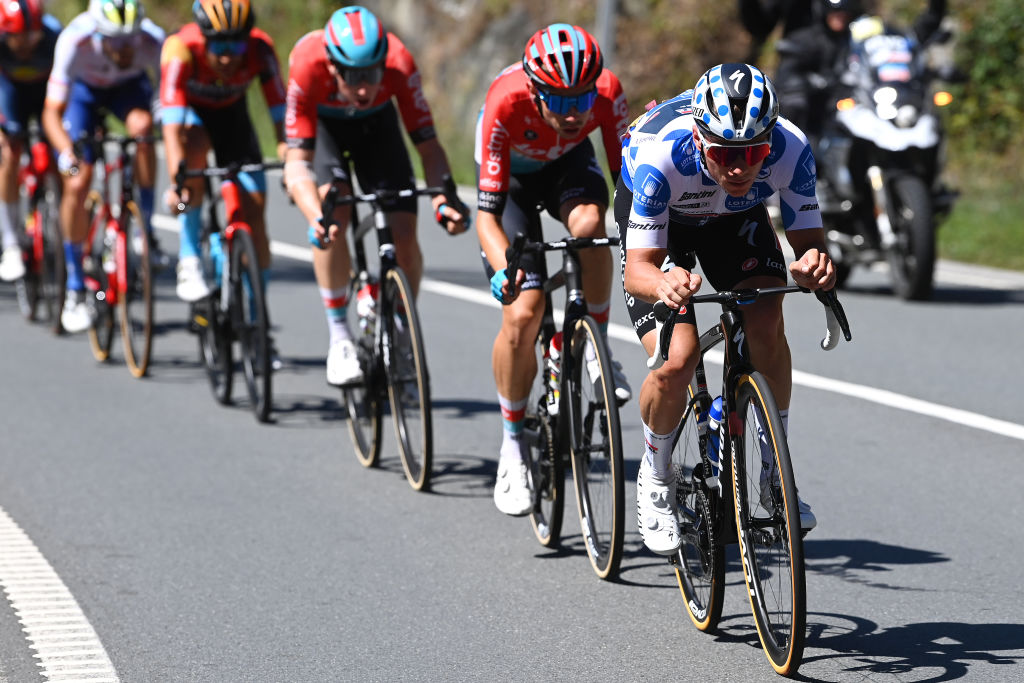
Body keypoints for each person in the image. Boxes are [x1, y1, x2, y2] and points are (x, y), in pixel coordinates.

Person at [617, 63, 836, 555]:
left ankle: (772, 470)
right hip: (664, 224)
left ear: (770, 140)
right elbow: (638, 271)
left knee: (766, 315)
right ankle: (655, 476)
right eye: (723, 154)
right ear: (699, 138)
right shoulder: (661, 155)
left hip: (732, 221)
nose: (739, 168)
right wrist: (665, 283)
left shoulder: (792, 149)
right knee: (677, 358)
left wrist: (815, 267)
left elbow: (810, 245)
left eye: (753, 153)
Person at [479, 23, 632, 517]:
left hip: (568, 167)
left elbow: (627, 184)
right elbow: (486, 215)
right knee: (524, 312)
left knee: (590, 225)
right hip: (514, 190)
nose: (572, 113)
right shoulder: (505, 103)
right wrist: (506, 268)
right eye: (559, 101)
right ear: (533, 90)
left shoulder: (606, 95)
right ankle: (512, 447)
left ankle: (597, 346)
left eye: (581, 99)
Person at [283, 5, 468, 386]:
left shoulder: (399, 61)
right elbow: (297, 163)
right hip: (327, 132)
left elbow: (428, 146)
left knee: (403, 234)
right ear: (332, 66)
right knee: (335, 214)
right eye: (354, 77)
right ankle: (339, 338)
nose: (364, 87)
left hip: (378, 129)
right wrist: (314, 214)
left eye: (372, 74)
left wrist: (442, 199)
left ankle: (400, 324)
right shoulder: (306, 63)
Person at [160, 0, 287, 364]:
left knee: (255, 215)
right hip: (189, 117)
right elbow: (170, 126)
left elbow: (279, 109)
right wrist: (178, 178)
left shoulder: (260, 50)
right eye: (219, 46)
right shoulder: (180, 48)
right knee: (194, 150)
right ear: (203, 37)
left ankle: (256, 317)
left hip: (233, 119)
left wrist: (287, 151)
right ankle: (188, 257)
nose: (229, 56)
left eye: (236, 45)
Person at [41, 0, 164, 333]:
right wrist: (67, 154)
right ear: (98, 32)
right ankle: (75, 287)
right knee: (78, 182)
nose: (125, 50)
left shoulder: (152, 39)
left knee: (143, 131)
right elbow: (51, 112)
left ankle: (145, 232)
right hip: (84, 94)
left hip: (128, 90)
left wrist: (163, 118)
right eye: (115, 41)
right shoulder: (74, 40)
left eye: (130, 41)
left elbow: (164, 94)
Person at [774, 0, 946, 143]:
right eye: (835, 14)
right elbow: (789, 72)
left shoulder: (859, 37)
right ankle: (795, 155)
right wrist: (812, 81)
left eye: (844, 15)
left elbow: (908, 41)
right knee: (796, 104)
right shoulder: (808, 39)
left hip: (862, 98)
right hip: (822, 104)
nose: (840, 19)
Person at [0, 0, 60, 282]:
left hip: (45, 92)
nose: (25, 45)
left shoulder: (53, 36)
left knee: (59, 155)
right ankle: (11, 242)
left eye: (31, 36)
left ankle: (60, 222)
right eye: (17, 38)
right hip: (8, 91)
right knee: (9, 153)